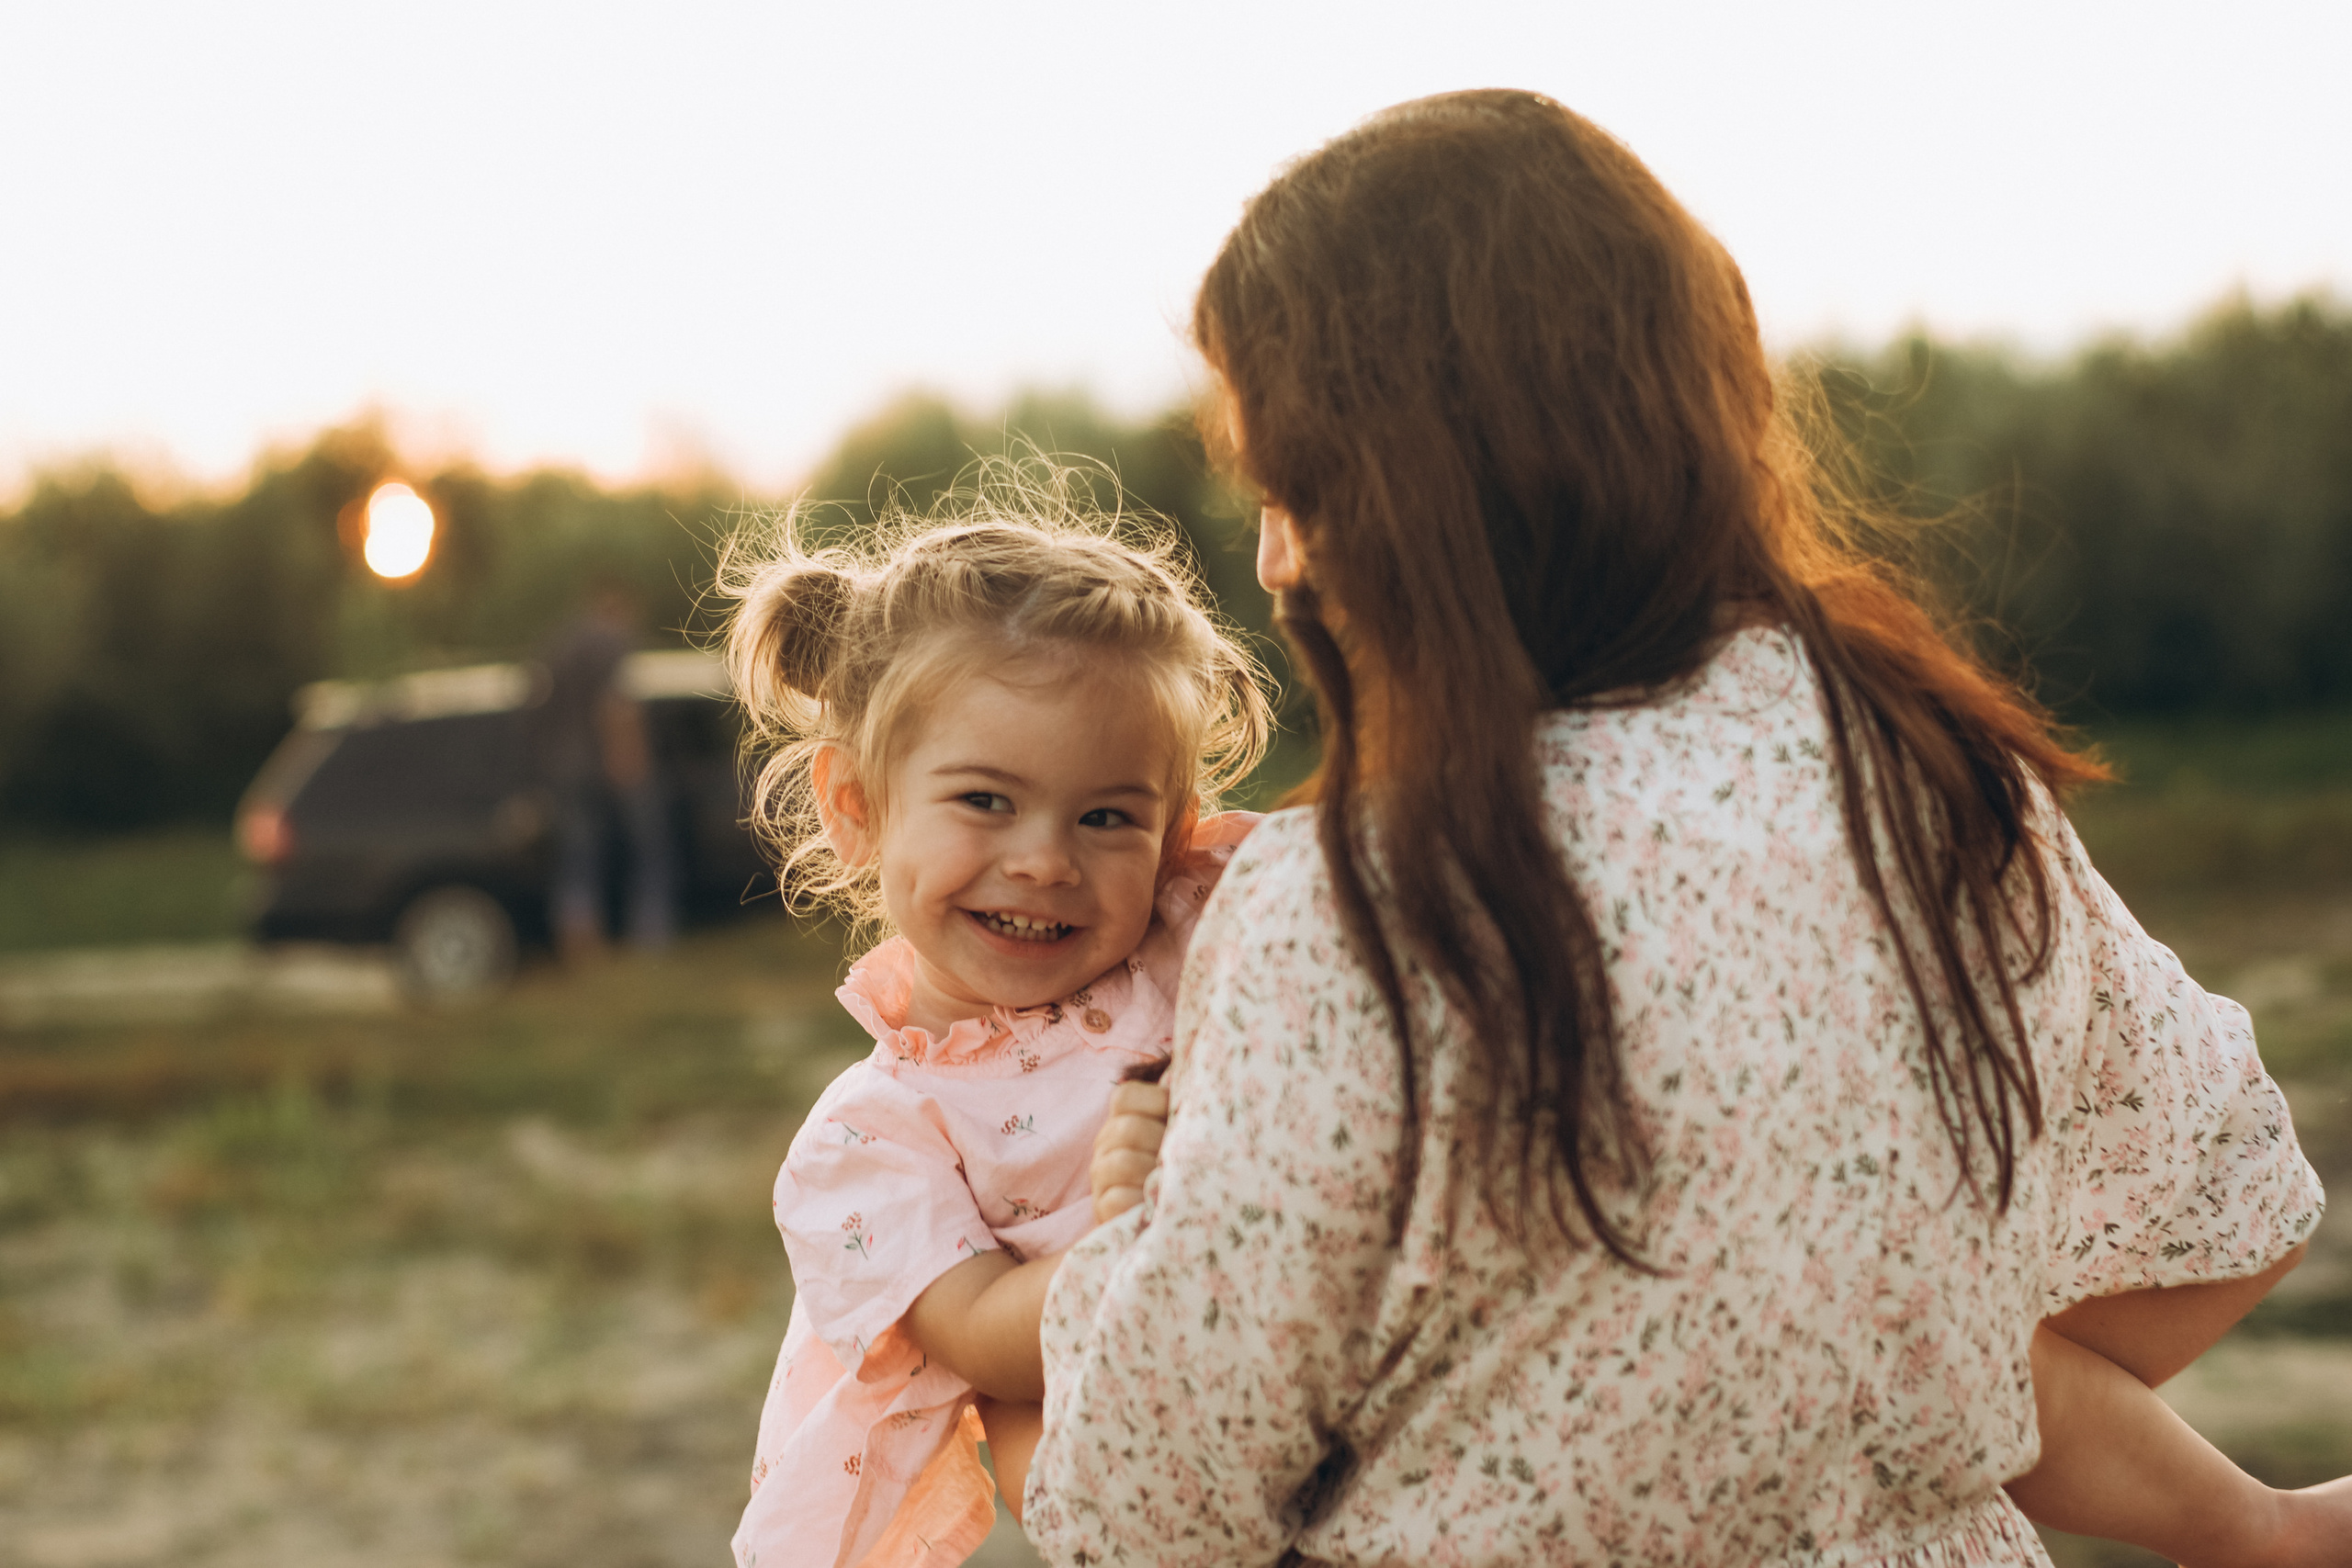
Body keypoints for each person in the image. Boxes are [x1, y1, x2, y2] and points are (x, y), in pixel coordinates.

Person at [1023, 91, 2347, 1567]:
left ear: (1421, 489)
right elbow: (2233, 1210)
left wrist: (1128, 1225)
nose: (1276, 556)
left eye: (1294, 489)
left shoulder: (1361, 908)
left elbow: (1137, 1513)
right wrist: (1867, 1409)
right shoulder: (1934, 780)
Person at [716, 469, 1272, 1568]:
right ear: (856, 807)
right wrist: (1143, 1237)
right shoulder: (876, 1139)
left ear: (1175, 832)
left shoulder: (1203, 925)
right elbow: (981, 1334)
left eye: (1107, 817)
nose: (1045, 860)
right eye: (985, 801)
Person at [536, 581, 677, 958]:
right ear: (619, 607)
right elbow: (617, 705)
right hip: (611, 762)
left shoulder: (560, 645)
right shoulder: (611, 642)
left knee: (579, 854)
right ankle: (651, 935)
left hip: (565, 768)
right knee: (650, 848)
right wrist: (630, 763)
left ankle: (579, 939)